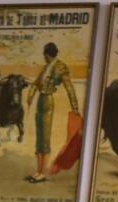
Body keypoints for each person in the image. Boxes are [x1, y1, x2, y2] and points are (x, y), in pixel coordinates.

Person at [25, 41, 80, 184]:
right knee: (39, 136)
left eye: (45, 55)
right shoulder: (46, 67)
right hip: (41, 101)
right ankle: (38, 171)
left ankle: (43, 173)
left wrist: (75, 108)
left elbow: (70, 88)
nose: (45, 58)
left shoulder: (61, 67)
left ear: (47, 55)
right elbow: (36, 83)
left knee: (45, 136)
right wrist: (30, 96)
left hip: (49, 101)